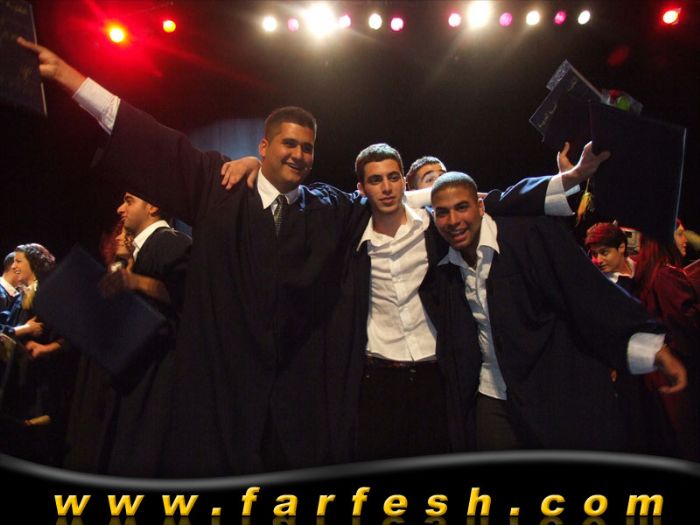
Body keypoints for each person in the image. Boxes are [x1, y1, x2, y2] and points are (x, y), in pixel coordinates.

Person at [18, 37, 602, 475]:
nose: (298, 154)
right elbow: (150, 137)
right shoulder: (217, 187)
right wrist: (70, 78)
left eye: (308, 147)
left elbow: (445, 198)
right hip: (218, 394)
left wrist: (562, 184)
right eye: (287, 144)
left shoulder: (329, 207)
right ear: (263, 146)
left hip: (296, 407)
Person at [325, 142, 606, 462]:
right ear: (361, 189)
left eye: (393, 178)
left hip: (436, 375)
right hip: (376, 378)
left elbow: (500, 200)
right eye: (376, 180)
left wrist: (572, 177)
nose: (386, 188)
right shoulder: (350, 235)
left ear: (403, 181)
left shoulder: (435, 227)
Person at [425, 172, 686, 452]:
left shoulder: (528, 236)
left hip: (551, 391)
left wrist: (652, 349)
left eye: (462, 207)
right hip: (492, 392)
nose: (453, 220)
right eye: (442, 212)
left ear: (480, 206)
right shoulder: (444, 260)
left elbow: (588, 293)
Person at [63, 194, 191, 477]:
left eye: (129, 201)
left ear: (153, 206)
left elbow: (189, 296)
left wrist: (136, 282)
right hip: (131, 375)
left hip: (155, 380)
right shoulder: (140, 253)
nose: (120, 208)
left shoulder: (171, 242)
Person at [0, 243, 73, 465]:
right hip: (17, 378)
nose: (14, 266)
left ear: (34, 264)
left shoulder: (51, 296)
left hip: (39, 380)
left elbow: (69, 337)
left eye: (19, 261)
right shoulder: (21, 297)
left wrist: (46, 349)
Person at [632, 230, 700, 461]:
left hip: (655, 373)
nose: (685, 240)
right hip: (677, 372)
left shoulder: (644, 273)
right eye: (679, 234)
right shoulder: (666, 275)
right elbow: (685, 325)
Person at [585, 222, 636, 292]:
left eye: (604, 253)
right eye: (594, 254)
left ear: (621, 247)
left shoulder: (640, 264)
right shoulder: (605, 288)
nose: (598, 260)